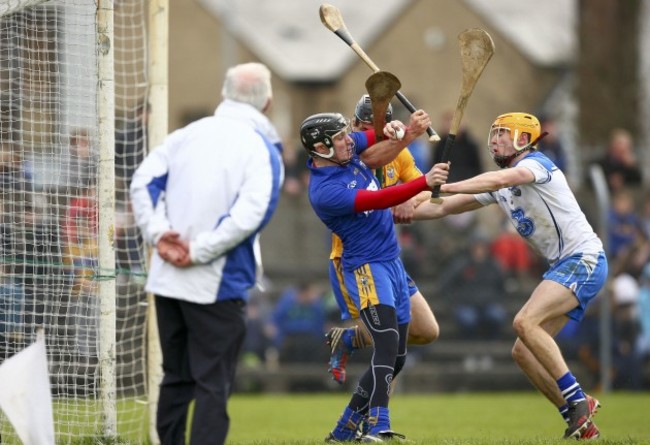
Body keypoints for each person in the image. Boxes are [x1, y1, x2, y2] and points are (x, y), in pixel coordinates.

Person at [413, 112, 608, 439]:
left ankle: (577, 398)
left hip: (583, 259)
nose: (495, 139)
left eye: (504, 133)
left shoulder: (536, 165)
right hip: (563, 266)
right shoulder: (502, 184)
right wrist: (397, 209)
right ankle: (578, 419)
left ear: (523, 139)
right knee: (522, 350)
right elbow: (443, 207)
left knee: (524, 322)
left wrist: (442, 183)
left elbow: (498, 180)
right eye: (494, 133)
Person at [130, 62, 284, 445]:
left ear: (224, 93)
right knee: (213, 382)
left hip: (167, 277)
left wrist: (160, 235)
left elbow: (143, 182)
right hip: (218, 282)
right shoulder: (262, 148)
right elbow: (252, 213)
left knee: (176, 375)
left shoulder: (186, 134)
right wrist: (198, 251)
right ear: (267, 102)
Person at [299, 111, 448, 442]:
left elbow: (372, 140)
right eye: (339, 139)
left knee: (397, 357)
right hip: (366, 266)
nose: (347, 141)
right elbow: (379, 199)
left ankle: (344, 429)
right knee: (387, 341)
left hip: (392, 261)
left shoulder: (344, 149)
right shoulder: (325, 191)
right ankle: (378, 424)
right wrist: (423, 183)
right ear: (321, 149)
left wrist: (401, 131)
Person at [326, 94, 441, 385]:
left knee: (427, 331)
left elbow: (426, 187)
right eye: (366, 126)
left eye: (380, 127)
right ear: (354, 126)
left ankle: (349, 339)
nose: (373, 134)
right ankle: (372, 420)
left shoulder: (399, 154)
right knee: (387, 344)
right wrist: (402, 195)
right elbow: (373, 170)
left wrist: (410, 201)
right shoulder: (346, 156)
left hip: (389, 257)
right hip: (355, 260)